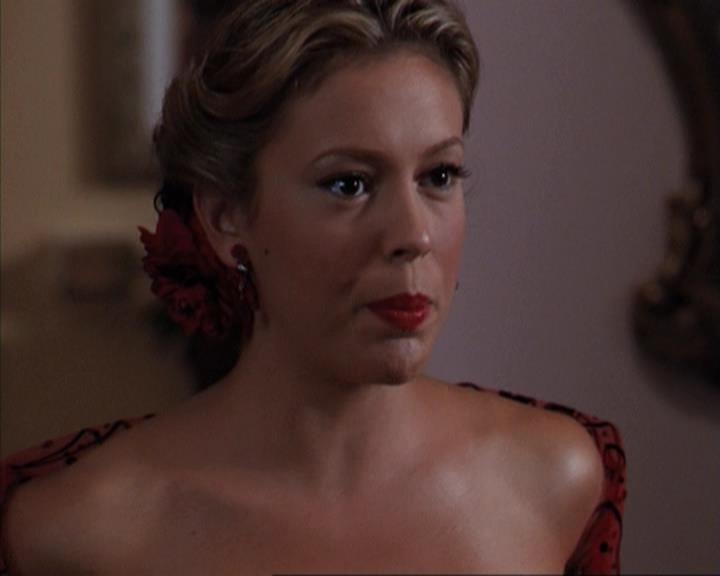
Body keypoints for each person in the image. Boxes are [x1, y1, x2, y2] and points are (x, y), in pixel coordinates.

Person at [0, 0, 626, 573]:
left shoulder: (558, 477)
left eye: (439, 176)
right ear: (227, 217)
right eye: (349, 184)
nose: (412, 235)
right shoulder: (74, 530)